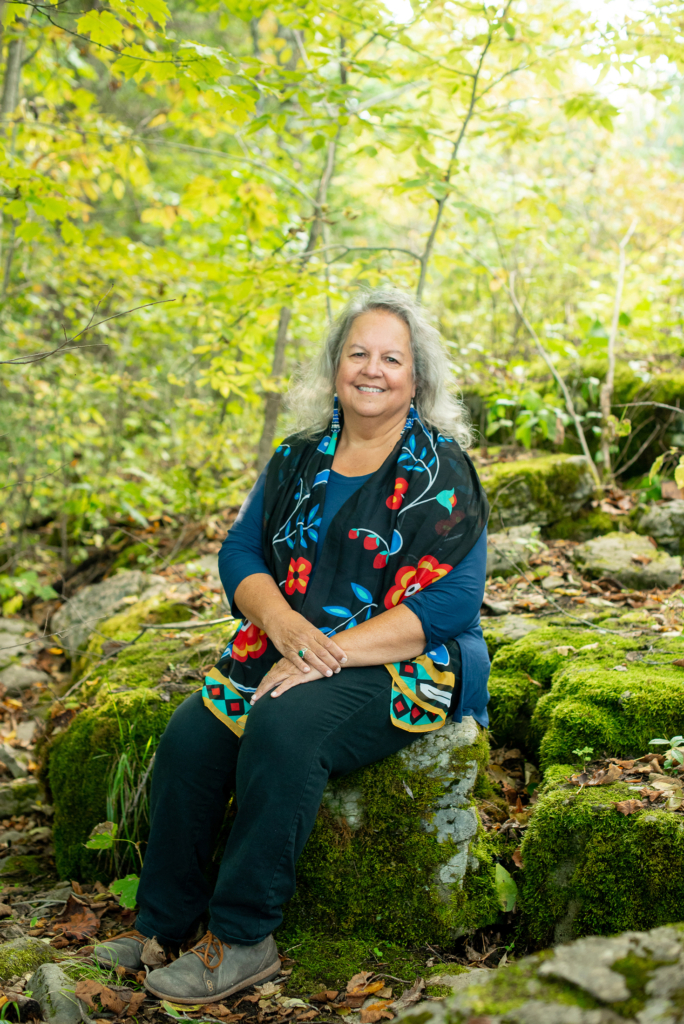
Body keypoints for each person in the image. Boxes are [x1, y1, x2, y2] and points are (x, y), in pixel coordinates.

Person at [93, 288, 490, 1004]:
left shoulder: (443, 469)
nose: (372, 369)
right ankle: (165, 924)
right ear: (335, 366)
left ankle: (244, 938)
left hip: (410, 663)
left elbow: (452, 603)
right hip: (290, 640)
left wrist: (321, 655)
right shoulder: (295, 458)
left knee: (283, 722)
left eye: (391, 358)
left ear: (417, 378)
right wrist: (284, 628)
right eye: (358, 353)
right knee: (191, 734)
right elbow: (240, 552)